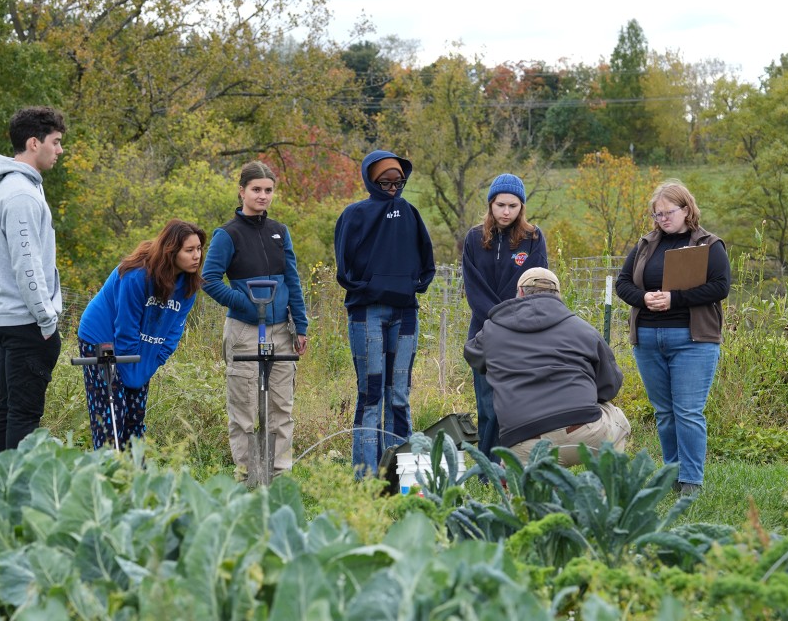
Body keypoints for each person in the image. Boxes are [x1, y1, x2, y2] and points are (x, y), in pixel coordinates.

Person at [615, 179, 730, 496]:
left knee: (688, 412)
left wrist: (674, 299)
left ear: (686, 209)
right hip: (648, 340)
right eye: (657, 214)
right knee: (664, 413)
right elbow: (623, 283)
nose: (662, 219)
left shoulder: (708, 244)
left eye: (668, 213)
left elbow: (720, 287)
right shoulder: (645, 244)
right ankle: (672, 475)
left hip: (693, 341)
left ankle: (691, 481)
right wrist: (644, 298)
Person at [202, 161, 309, 480]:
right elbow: (209, 279)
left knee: (280, 408)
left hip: (279, 330)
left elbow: (292, 278)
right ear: (242, 191)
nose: (263, 196)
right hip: (244, 331)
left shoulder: (279, 231)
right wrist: (245, 304)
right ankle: (249, 477)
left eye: (268, 190)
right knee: (244, 409)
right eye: (256, 190)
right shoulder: (227, 234)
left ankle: (278, 476)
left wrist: (300, 326)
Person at [334, 149, 436, 476]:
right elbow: (344, 267)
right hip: (367, 314)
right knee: (371, 396)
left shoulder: (411, 214)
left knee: (399, 396)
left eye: (398, 181)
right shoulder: (355, 214)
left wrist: (412, 285)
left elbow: (427, 262)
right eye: (385, 182)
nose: (392, 188)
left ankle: (399, 479)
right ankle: (365, 481)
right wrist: (369, 286)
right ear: (370, 180)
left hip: (405, 313)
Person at [465, 267, 629, 466]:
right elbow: (610, 385)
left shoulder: (492, 330)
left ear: (520, 292)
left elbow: (473, 355)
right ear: (558, 295)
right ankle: (606, 494)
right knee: (618, 419)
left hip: (522, 442)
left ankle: (522, 484)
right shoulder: (582, 329)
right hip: (581, 433)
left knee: (523, 492)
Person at [0, 106, 66, 452]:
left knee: (9, 411)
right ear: (34, 143)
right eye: (56, 142)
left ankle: (0, 494)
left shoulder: (11, 187)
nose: (60, 150)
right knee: (24, 417)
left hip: (10, 319)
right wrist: (46, 320)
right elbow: (26, 265)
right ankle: (17, 498)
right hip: (25, 321)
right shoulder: (20, 194)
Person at [77, 219, 206, 449]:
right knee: (111, 418)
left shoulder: (188, 284)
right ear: (171, 251)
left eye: (198, 249)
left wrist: (151, 362)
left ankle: (136, 477)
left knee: (135, 417)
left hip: (141, 347)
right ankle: (108, 475)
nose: (197, 255)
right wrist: (133, 374)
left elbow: (173, 333)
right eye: (189, 250)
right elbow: (125, 329)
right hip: (102, 337)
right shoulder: (138, 275)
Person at [461, 173, 548, 460]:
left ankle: (512, 461)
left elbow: (536, 284)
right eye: (500, 205)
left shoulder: (533, 239)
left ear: (521, 207)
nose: (506, 211)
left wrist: (513, 319)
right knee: (487, 405)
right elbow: (474, 289)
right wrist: (497, 318)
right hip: (484, 333)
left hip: (520, 332)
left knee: (514, 403)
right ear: (491, 205)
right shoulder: (475, 239)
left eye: (513, 205)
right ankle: (487, 464)